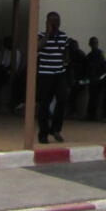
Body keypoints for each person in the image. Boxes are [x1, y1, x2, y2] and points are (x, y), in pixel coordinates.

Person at [34, 11, 70, 143]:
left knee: (62, 99)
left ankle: (56, 129)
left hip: (59, 73)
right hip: (45, 74)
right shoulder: (41, 36)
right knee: (44, 104)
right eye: (52, 21)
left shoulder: (63, 36)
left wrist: (66, 61)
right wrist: (48, 34)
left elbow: (66, 53)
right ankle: (43, 133)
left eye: (57, 21)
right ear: (47, 22)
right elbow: (37, 48)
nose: (55, 24)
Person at [84, 36, 106, 121]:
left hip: (99, 79)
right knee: (92, 96)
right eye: (93, 43)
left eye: (95, 43)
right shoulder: (89, 56)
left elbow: (105, 65)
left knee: (94, 96)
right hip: (93, 79)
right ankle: (91, 114)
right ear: (90, 44)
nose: (94, 45)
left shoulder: (101, 53)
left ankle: (93, 114)